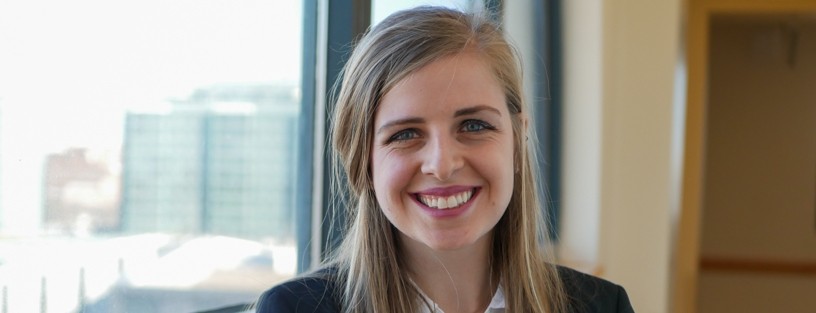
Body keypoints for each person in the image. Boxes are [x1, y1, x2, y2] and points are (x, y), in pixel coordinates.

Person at [256, 6, 633, 313]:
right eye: (405, 134)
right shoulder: (292, 308)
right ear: (364, 161)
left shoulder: (602, 306)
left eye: (473, 125)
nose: (442, 163)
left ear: (518, 140)